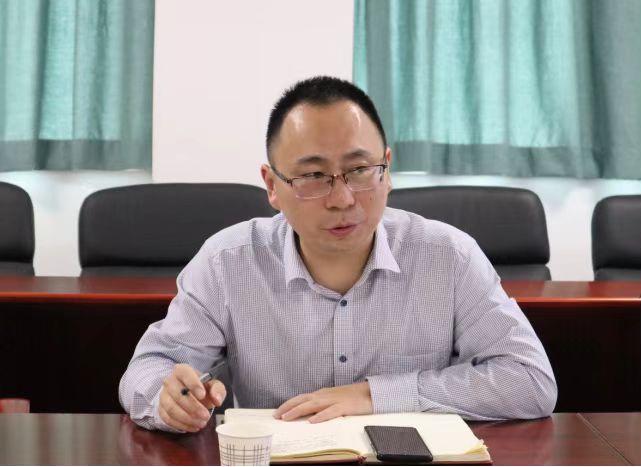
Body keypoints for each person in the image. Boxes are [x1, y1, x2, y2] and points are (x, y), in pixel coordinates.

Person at [119, 76, 557, 433]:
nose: (343, 199)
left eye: (360, 170)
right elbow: (147, 370)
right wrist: (168, 399)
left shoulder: (449, 257)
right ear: (272, 185)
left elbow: (530, 380)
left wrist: (374, 395)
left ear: (387, 168)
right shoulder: (227, 262)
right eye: (313, 175)